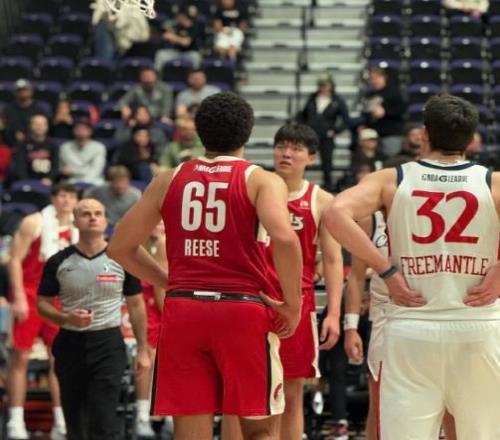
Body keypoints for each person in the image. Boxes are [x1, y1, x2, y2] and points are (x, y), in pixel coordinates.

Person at [108, 92, 303, 440]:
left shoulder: (168, 178)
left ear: (199, 132)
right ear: (248, 133)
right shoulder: (261, 180)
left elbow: (120, 247)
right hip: (241, 310)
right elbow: (286, 240)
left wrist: (168, 281)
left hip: (184, 311)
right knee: (259, 430)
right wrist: (292, 304)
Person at [323, 94, 500, 439]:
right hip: (479, 328)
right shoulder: (491, 182)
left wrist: (386, 271)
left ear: (424, 134)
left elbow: (334, 213)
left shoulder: (393, 179)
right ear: (471, 140)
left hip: (411, 329)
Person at [222, 123, 344, 440]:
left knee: (291, 393)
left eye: (296, 148)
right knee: (238, 394)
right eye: (281, 146)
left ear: (311, 158)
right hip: (251, 300)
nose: (286, 154)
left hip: (297, 305)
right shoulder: (251, 187)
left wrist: (333, 313)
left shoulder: (322, 200)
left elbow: (333, 260)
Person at [36, 198, 150, 440]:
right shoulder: (58, 261)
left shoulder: (121, 259)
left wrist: (142, 349)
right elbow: (42, 304)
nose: (92, 218)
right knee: (75, 421)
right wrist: (65, 317)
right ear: (75, 221)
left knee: (104, 419)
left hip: (108, 344)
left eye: (98, 213)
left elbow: (136, 305)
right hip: (70, 343)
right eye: (86, 213)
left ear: (106, 221)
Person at [6, 183, 79, 440]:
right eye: (62, 195)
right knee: (20, 357)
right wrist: (18, 297)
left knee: (59, 360)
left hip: (61, 298)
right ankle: (15, 420)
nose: (66, 200)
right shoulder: (34, 222)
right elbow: (14, 259)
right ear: (53, 198)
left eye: (71, 196)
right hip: (30, 294)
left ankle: (61, 421)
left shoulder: (77, 226)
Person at [135, 222, 167, 438]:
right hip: (147, 312)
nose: (158, 226)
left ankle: (163, 415)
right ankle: (143, 415)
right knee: (148, 357)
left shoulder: (165, 244)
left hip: (161, 310)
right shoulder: (137, 246)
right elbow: (160, 290)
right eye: (155, 222)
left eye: (163, 223)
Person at [299, 72, 349, 191]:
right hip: (310, 134)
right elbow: (303, 115)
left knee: (327, 163)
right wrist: (303, 128)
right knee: (304, 160)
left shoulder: (337, 100)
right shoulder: (313, 97)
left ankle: (328, 187)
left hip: (326, 136)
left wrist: (335, 130)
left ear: (331, 85)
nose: (323, 88)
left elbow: (346, 120)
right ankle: (299, 183)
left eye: (326, 85)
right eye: (321, 85)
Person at [360, 67, 407, 157]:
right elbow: (364, 113)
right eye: (371, 78)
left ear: (384, 77)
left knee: (391, 160)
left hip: (390, 133)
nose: (374, 81)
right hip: (373, 135)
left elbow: (402, 110)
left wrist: (385, 112)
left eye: (377, 77)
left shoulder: (394, 92)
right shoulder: (369, 95)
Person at [12, 114, 59, 185]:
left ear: (47, 127)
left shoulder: (53, 145)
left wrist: (49, 178)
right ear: (30, 126)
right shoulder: (22, 145)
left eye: (42, 124)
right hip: (27, 181)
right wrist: (26, 181)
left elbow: (56, 167)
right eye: (36, 124)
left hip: (48, 182)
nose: (39, 127)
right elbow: (20, 167)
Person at [59, 119, 107, 185]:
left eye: (85, 129)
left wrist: (74, 171)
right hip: (72, 180)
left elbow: (96, 170)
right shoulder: (65, 147)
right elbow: (64, 170)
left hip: (95, 180)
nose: (81, 131)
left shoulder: (99, 147)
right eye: (78, 128)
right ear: (73, 130)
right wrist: (84, 170)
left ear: (90, 131)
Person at [154, 7, 202, 72]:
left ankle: (196, 75)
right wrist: (167, 31)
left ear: (185, 17)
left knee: (196, 57)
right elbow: (165, 33)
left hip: (190, 53)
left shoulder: (194, 27)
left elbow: (186, 43)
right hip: (176, 52)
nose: (178, 18)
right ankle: (157, 75)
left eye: (180, 17)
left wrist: (173, 37)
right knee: (160, 54)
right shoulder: (177, 26)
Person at [3, 79, 48, 146]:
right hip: (11, 143)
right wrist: (14, 134)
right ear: (15, 93)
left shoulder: (39, 110)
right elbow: (5, 127)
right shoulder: (8, 110)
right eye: (19, 90)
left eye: (25, 90)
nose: (22, 92)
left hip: (35, 143)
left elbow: (43, 128)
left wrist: (28, 137)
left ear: (31, 91)